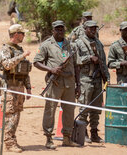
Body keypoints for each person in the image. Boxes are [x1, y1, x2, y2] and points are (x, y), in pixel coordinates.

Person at [33, 20, 81, 149]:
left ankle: (67, 138)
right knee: (50, 109)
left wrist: (79, 85)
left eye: (62, 29)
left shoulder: (71, 45)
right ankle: (49, 138)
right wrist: (51, 70)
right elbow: (36, 62)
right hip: (54, 82)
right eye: (57, 29)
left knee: (69, 111)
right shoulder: (46, 45)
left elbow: (77, 66)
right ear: (52, 30)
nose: (60, 31)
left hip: (70, 83)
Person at [0, 24, 32, 153]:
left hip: (19, 87)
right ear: (16, 34)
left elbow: (25, 71)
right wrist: (22, 56)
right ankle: (9, 143)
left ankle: (12, 140)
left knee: (16, 116)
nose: (24, 36)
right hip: (10, 87)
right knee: (10, 115)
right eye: (22, 33)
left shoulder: (19, 49)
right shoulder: (5, 49)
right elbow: (6, 65)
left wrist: (28, 88)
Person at [75, 20, 110, 143]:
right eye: (91, 28)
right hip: (85, 79)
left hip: (97, 79)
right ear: (85, 29)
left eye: (95, 28)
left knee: (96, 108)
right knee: (84, 106)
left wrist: (106, 76)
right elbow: (76, 60)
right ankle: (83, 132)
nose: (93, 30)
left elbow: (103, 61)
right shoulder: (78, 43)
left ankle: (94, 133)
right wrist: (89, 58)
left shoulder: (99, 43)